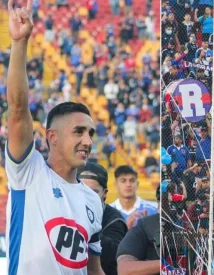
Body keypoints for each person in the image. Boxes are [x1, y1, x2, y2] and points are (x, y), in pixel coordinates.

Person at [5, 0, 104, 273]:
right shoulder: (29, 172)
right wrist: (19, 43)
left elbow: (94, 270)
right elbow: (17, 110)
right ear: (52, 137)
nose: (88, 141)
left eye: (91, 133)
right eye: (79, 132)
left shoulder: (93, 200)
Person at [79, 162, 128, 275]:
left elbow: (113, 255)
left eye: (93, 192)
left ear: (104, 193)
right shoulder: (64, 209)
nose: (87, 197)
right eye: (82, 190)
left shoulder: (114, 220)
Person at [116, 185, 160, 275]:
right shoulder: (145, 226)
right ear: (159, 202)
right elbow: (125, 269)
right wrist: (164, 265)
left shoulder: (191, 225)